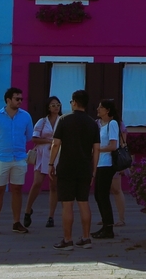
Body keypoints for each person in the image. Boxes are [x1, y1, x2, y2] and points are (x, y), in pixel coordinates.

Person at [49, 89, 100, 250]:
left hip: (66, 167)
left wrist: (50, 163)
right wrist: (94, 170)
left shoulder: (64, 120)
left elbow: (56, 144)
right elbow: (96, 149)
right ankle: (86, 238)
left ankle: (67, 239)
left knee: (67, 204)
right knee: (84, 203)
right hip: (85, 167)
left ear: (75, 102)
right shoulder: (93, 123)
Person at [0, 86, 34, 235]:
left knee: (17, 190)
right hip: (1, 158)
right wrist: (0, 147)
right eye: (17, 99)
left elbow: (29, 136)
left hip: (19, 158)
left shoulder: (26, 116)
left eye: (21, 99)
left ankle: (16, 222)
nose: (20, 101)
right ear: (8, 100)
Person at [24, 96, 63, 229]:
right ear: (48, 107)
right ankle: (28, 210)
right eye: (53, 105)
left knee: (54, 186)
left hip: (56, 155)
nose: (56, 107)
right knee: (37, 183)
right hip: (42, 154)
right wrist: (49, 141)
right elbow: (34, 138)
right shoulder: (42, 121)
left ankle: (51, 216)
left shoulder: (62, 121)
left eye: (58, 105)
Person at [93, 98, 128, 239]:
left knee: (102, 195)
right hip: (100, 163)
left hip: (107, 164)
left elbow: (114, 146)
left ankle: (108, 228)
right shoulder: (100, 125)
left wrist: (97, 150)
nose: (98, 109)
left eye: (100, 107)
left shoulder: (112, 124)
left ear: (107, 110)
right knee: (98, 195)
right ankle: (105, 224)